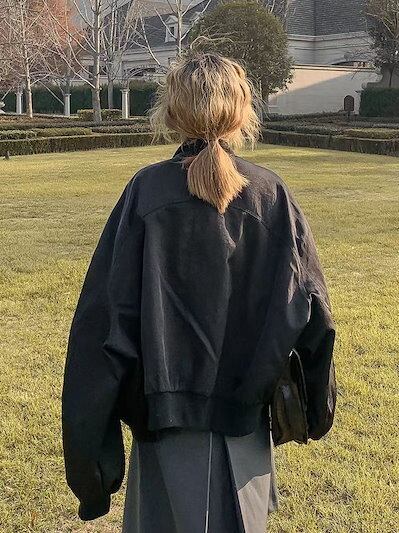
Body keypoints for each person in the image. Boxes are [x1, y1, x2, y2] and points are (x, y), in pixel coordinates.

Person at [61, 53, 337, 533]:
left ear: (171, 112)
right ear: (243, 112)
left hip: (164, 430)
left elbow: (101, 328)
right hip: (246, 425)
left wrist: (91, 466)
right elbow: (314, 313)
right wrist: (315, 409)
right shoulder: (271, 195)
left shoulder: (146, 193)